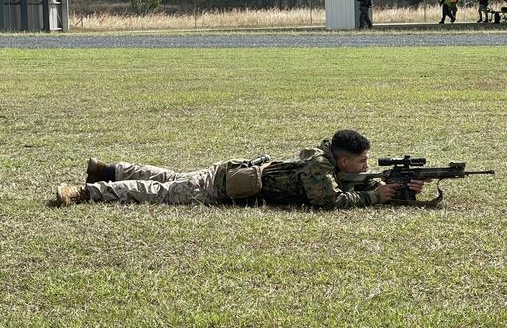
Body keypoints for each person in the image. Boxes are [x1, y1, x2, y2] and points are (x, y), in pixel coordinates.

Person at [55, 130, 429, 209]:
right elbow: (328, 200)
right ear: (343, 159)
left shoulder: (328, 159)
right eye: (361, 161)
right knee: (162, 191)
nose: (365, 166)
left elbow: (350, 181)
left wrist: (389, 184)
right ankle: (87, 191)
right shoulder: (319, 168)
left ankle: (106, 169)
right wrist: (374, 197)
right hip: (224, 186)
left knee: (170, 177)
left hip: (232, 172)